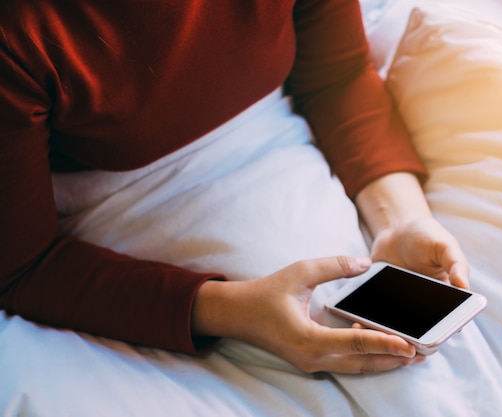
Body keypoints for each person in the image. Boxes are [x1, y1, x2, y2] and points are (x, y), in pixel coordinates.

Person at [0, 0, 469, 375]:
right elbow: (21, 265)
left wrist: (402, 218)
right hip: (116, 220)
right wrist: (230, 313)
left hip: (285, 153)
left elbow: (335, 77)